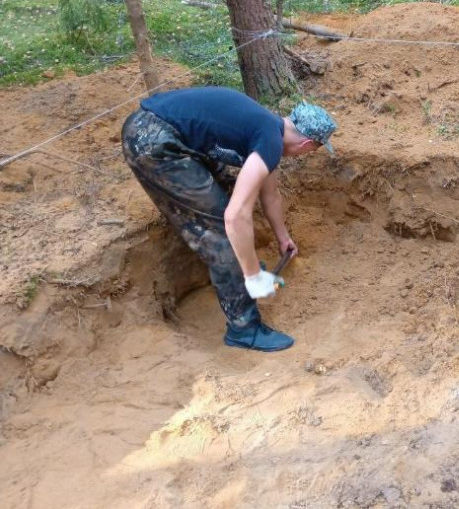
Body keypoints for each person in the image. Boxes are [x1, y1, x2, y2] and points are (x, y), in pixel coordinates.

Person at [121, 86, 337, 352]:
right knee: (221, 230)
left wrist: (283, 238)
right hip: (153, 141)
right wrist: (253, 276)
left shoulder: (268, 128)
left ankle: (231, 273)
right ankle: (244, 329)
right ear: (307, 145)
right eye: (314, 150)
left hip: (160, 129)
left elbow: (270, 196)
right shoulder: (268, 140)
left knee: (224, 190)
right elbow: (234, 218)